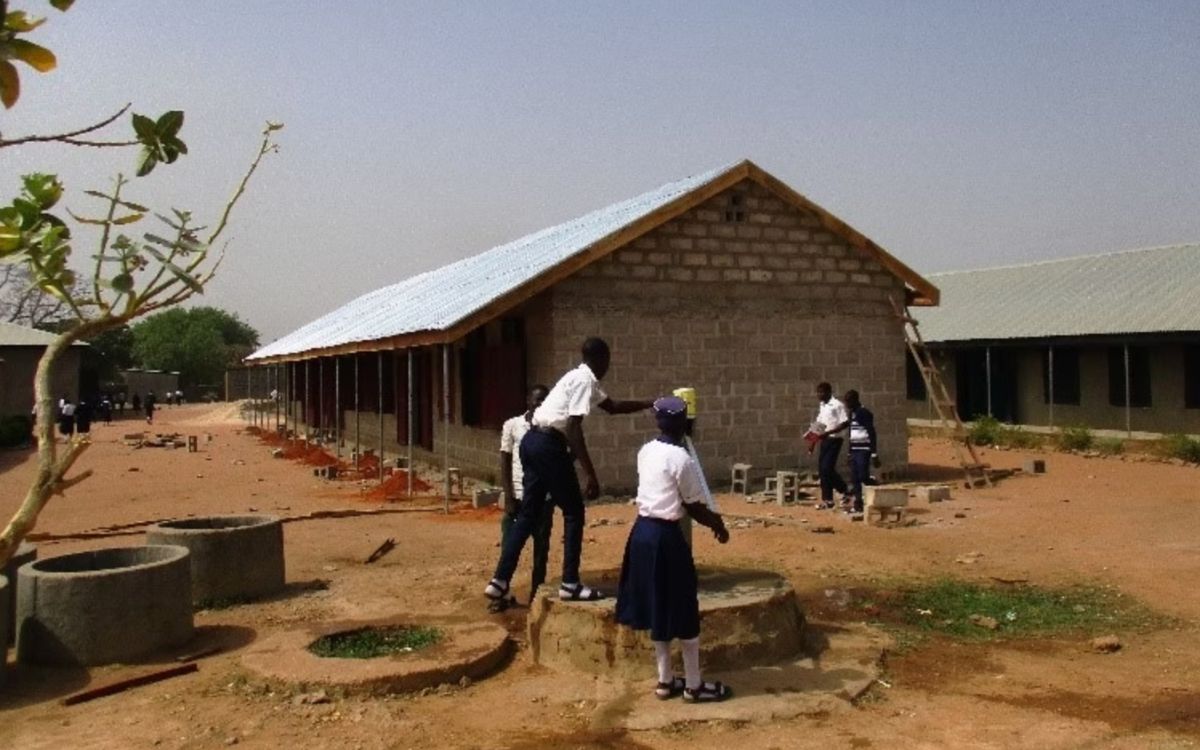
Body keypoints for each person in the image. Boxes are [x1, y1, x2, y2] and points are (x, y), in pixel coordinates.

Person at [485, 337, 653, 605]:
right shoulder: (584, 381)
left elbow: (613, 407)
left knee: (528, 514)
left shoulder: (578, 378)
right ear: (601, 359)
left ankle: (499, 580)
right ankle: (570, 583)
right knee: (574, 511)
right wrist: (590, 474)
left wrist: (649, 403)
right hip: (548, 445)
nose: (608, 367)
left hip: (531, 442)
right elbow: (573, 428)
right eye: (607, 361)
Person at [615, 396, 732, 703]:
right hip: (665, 538)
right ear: (685, 423)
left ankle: (665, 681)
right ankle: (694, 686)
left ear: (658, 422)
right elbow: (693, 506)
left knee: (658, 605)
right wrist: (718, 525)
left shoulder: (645, 451)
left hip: (641, 534)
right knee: (683, 605)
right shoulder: (682, 459)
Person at [497, 384, 552, 606]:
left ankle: (536, 596)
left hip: (543, 500)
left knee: (541, 549)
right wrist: (508, 496)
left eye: (544, 400)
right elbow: (505, 461)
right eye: (537, 399)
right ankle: (501, 593)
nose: (540, 404)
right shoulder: (512, 425)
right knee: (509, 547)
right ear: (528, 400)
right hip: (518, 499)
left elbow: (567, 453)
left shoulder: (551, 427)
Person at [812, 382, 850, 510]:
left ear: (828, 392)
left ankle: (844, 489)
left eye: (821, 392)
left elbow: (845, 423)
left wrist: (828, 433)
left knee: (827, 468)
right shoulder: (822, 405)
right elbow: (819, 423)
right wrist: (812, 441)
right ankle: (828, 499)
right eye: (818, 392)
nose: (819, 395)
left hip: (835, 439)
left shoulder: (837, 405)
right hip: (824, 440)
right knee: (823, 470)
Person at [842, 390, 879, 514]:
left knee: (863, 476)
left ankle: (872, 483)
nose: (846, 404)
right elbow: (851, 434)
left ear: (855, 400)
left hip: (864, 449)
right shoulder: (851, 414)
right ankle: (858, 504)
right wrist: (849, 452)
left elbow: (871, 433)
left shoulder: (864, 413)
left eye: (848, 401)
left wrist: (874, 453)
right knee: (855, 478)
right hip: (854, 450)